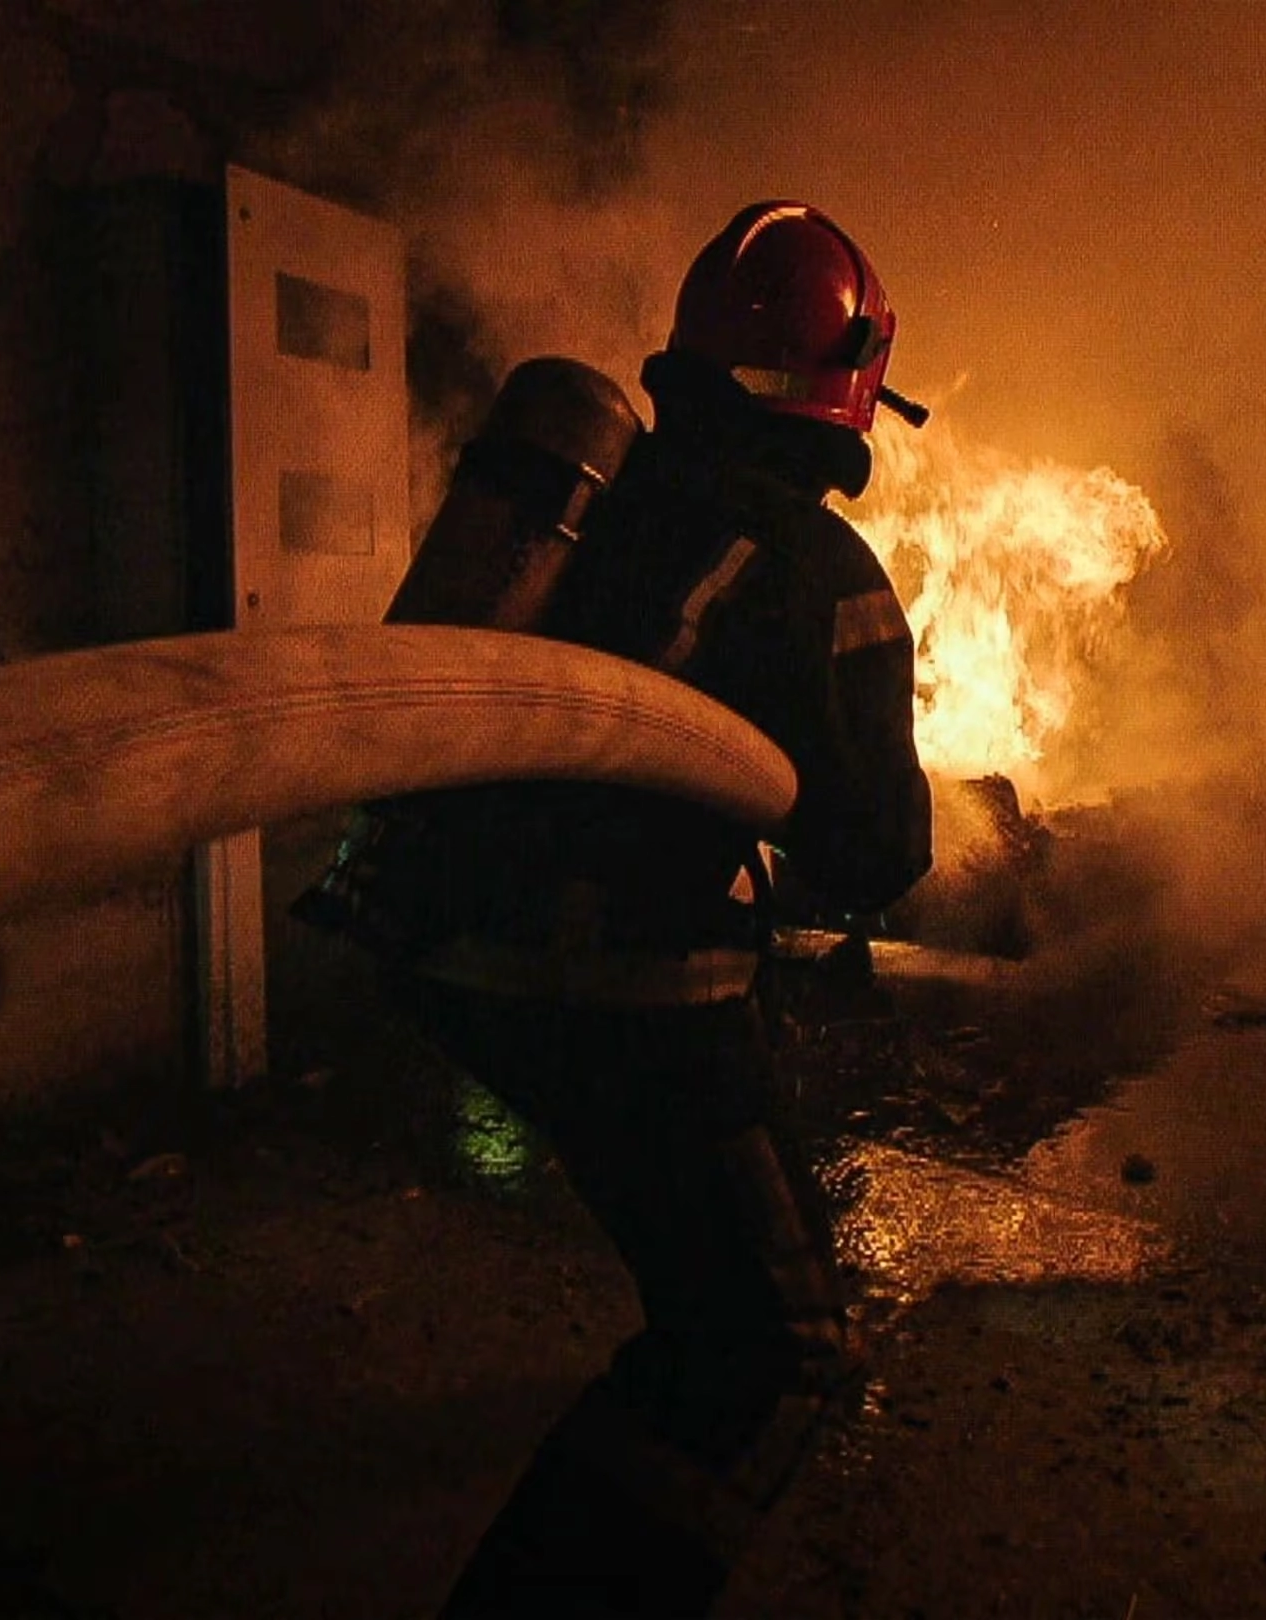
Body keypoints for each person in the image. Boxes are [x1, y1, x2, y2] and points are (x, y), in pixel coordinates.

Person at [321, 200, 935, 1616]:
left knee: (687, 1283)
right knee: (776, 1355)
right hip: (624, 991)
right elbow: (872, 859)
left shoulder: (596, 507)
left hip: (439, 950)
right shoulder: (819, 572)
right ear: (852, 370)